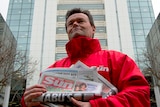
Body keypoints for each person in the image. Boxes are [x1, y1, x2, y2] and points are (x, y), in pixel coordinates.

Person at [21, 8, 150, 107]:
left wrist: (95, 105)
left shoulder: (117, 59)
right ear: (67, 31)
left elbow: (140, 95)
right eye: (70, 23)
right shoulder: (53, 68)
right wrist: (27, 101)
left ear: (93, 28)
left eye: (80, 21)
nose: (75, 24)